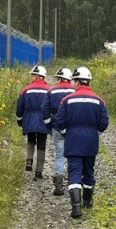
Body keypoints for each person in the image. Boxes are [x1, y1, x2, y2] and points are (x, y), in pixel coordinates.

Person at [53, 65, 108, 219]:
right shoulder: (99, 101)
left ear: (77, 82)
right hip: (91, 141)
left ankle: (76, 207)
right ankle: (88, 201)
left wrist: (66, 133)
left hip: (73, 141)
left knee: (74, 171)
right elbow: (104, 123)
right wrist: (94, 133)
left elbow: (58, 121)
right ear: (88, 82)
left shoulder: (66, 100)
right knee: (89, 171)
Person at [41, 66, 75, 196]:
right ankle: (73, 182)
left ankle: (59, 186)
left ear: (60, 78)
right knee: (73, 155)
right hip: (72, 128)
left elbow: (44, 109)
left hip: (57, 127)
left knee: (59, 156)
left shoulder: (51, 91)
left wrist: (49, 123)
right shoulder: (74, 90)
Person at [15, 65, 51, 180]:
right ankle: (39, 171)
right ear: (43, 77)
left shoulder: (26, 89)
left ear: (36, 76)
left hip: (29, 118)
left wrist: (20, 120)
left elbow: (19, 107)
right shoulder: (49, 90)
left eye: (32, 75)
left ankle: (29, 160)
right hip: (43, 119)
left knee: (31, 139)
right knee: (42, 143)